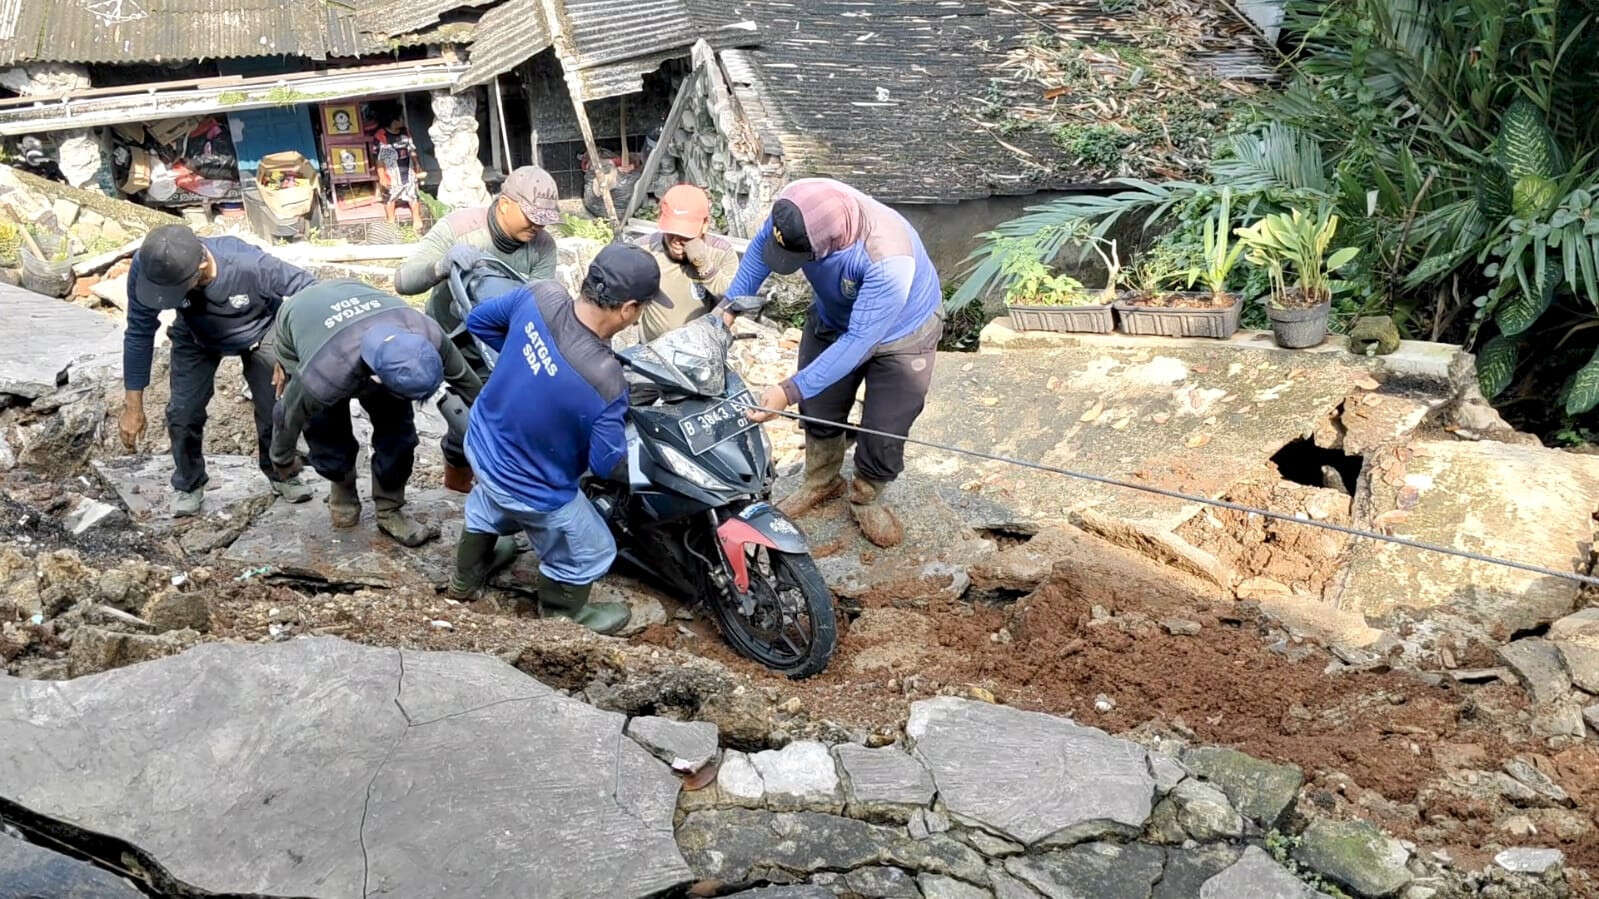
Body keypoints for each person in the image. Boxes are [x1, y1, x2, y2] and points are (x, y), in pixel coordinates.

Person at [447, 244, 673, 633]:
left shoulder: (541, 294)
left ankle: (464, 581)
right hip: (530, 487)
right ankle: (561, 616)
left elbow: (480, 322)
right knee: (593, 549)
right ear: (628, 309)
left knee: (487, 499)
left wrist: (533, 367)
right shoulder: (605, 378)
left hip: (481, 443)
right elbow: (605, 464)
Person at [726, 178, 943, 549]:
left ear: (828, 244)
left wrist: (786, 391)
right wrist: (728, 309)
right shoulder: (797, 205)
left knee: (885, 427)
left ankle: (866, 496)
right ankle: (822, 481)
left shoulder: (886, 256)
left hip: (901, 335)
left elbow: (860, 342)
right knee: (820, 407)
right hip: (832, 318)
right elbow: (763, 247)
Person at [119, 224, 317, 517]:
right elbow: (138, 332)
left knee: (275, 409)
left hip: (262, 329)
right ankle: (189, 484)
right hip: (196, 334)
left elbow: (310, 290)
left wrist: (289, 352)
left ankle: (281, 473)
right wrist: (132, 406)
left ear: (200, 266)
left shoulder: (250, 264)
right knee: (182, 413)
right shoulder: (151, 267)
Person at [269, 280, 482, 546]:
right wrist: (282, 459)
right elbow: (287, 415)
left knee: (398, 433)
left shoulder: (430, 335)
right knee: (327, 430)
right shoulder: (322, 375)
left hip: (360, 297)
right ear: (378, 379)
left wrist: (505, 436)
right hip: (302, 319)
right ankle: (343, 490)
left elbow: (473, 390)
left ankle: (389, 508)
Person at [393, 165, 561, 491]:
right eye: (531, 215)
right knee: (464, 424)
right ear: (505, 204)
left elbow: (537, 308)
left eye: (544, 217)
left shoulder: (542, 246)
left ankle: (495, 492)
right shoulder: (459, 227)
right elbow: (403, 280)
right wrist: (441, 266)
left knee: (499, 420)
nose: (538, 223)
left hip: (499, 345)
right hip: (450, 341)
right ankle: (458, 490)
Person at [638, 184, 739, 342]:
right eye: (672, 232)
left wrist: (705, 267)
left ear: (705, 224)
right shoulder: (643, 251)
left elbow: (733, 300)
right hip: (652, 350)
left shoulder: (721, 253)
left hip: (701, 349)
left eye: (686, 234)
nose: (677, 241)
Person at [374, 111, 423, 226]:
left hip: (408, 169)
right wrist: (382, 177)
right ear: (393, 121)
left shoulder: (405, 132)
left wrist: (417, 164)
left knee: (413, 195)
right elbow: (379, 159)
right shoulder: (381, 136)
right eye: (401, 118)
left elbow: (411, 150)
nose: (403, 121)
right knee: (390, 197)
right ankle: (391, 221)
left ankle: (416, 218)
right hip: (391, 172)